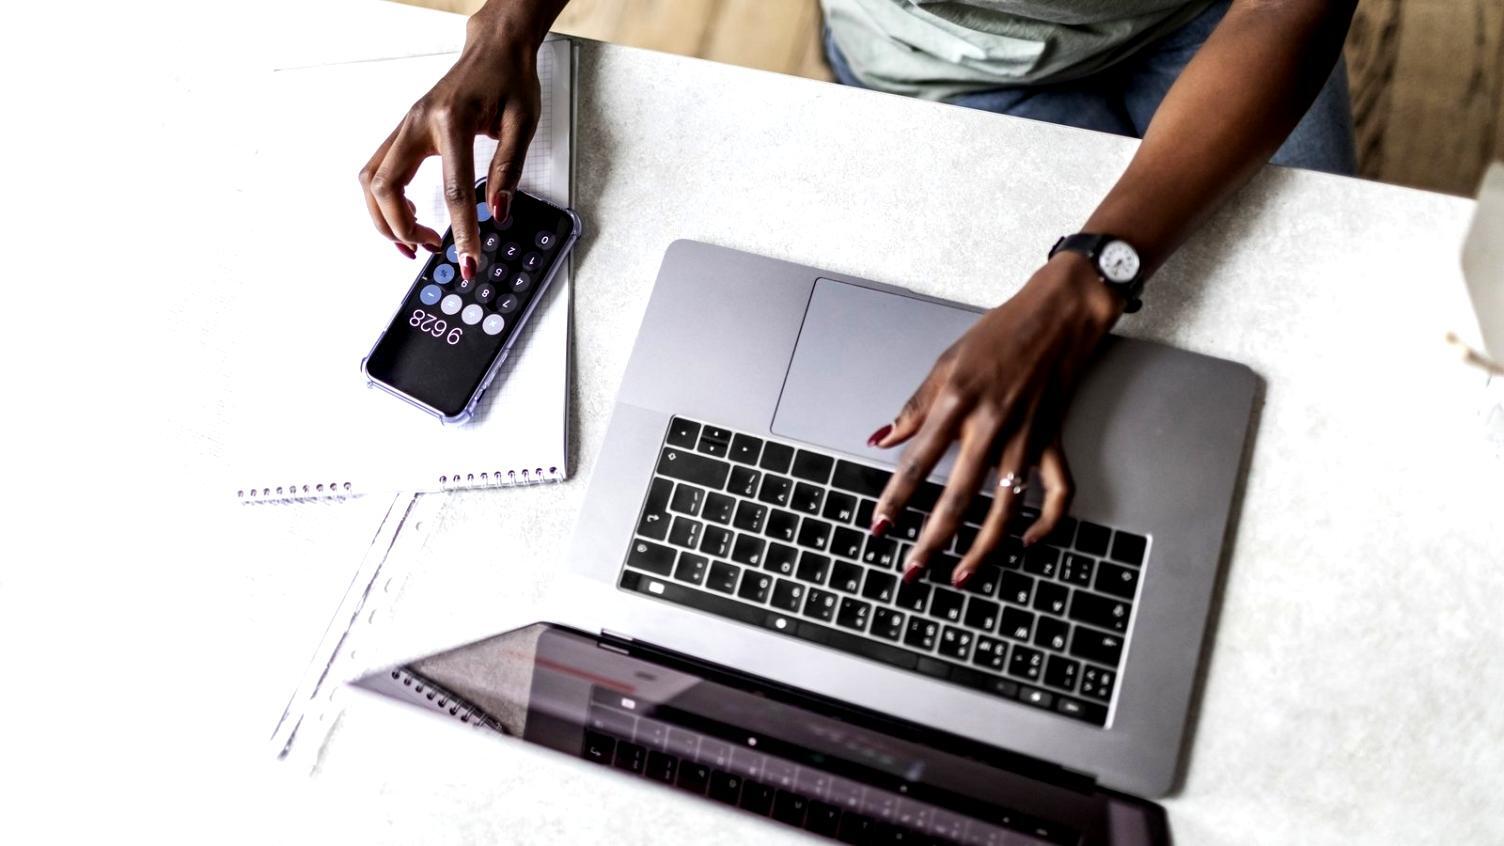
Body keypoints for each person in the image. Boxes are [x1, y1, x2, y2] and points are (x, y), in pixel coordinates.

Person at [359, 0, 1357, 588]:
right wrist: (503, 26)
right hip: (934, 61)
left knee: (1301, 378)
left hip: (1221, 22)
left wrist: (1090, 280)